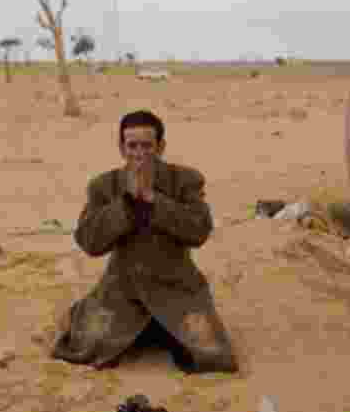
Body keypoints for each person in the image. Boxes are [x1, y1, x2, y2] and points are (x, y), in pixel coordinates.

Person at [51, 110, 239, 374]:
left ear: (160, 147)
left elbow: (199, 232)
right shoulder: (104, 186)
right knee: (84, 347)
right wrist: (125, 203)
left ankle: (157, 330)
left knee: (212, 355)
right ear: (121, 148)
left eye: (147, 146)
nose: (139, 153)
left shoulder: (184, 180)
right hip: (122, 291)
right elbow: (89, 242)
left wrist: (154, 199)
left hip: (177, 289)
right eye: (132, 146)